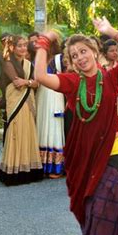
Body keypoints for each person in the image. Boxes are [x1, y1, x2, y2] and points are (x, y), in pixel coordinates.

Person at [34, 17, 118, 235]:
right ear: (71, 62)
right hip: (87, 157)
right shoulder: (72, 82)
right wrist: (44, 42)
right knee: (94, 211)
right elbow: (40, 76)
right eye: (74, 56)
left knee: (107, 206)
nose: (80, 58)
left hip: (114, 151)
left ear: (94, 51)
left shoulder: (112, 77)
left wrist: (111, 31)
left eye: (83, 51)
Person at [0, 35, 44, 186]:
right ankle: (13, 172)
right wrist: (28, 82)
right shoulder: (7, 62)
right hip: (15, 101)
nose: (23, 48)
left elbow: (37, 83)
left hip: (28, 102)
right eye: (20, 46)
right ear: (12, 47)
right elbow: (17, 83)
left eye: (25, 45)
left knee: (28, 132)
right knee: (16, 132)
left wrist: (28, 82)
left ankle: (29, 169)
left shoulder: (29, 64)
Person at [35, 41, 66, 179]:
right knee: (43, 126)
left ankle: (54, 167)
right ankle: (45, 166)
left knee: (53, 126)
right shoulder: (40, 59)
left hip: (55, 93)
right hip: (44, 95)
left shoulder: (61, 58)